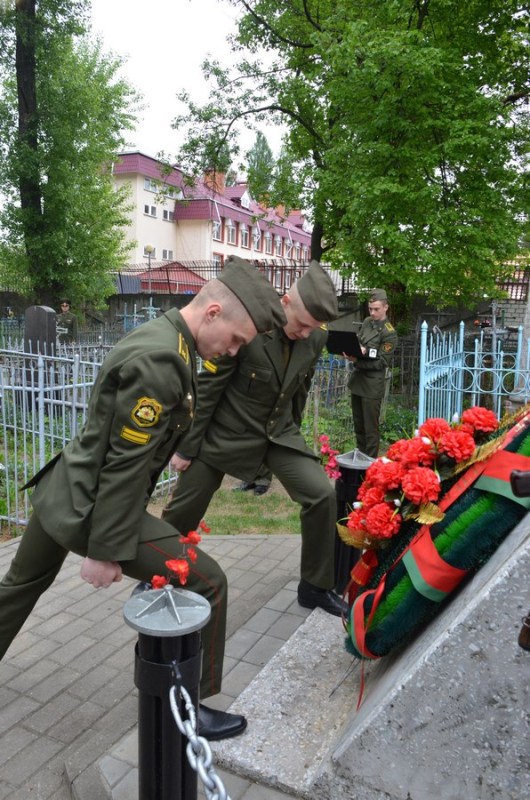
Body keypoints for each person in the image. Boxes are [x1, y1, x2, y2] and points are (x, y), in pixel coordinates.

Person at [0, 256, 287, 742]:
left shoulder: (167, 337)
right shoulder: (164, 360)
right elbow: (126, 463)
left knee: (19, 587)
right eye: (236, 340)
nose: (235, 351)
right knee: (208, 579)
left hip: (66, 489)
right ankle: (191, 709)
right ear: (213, 313)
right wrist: (105, 550)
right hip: (96, 507)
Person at [162, 260, 348, 618]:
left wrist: (292, 438)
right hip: (225, 435)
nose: (308, 334)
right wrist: (187, 446)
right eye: (304, 324)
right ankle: (158, 568)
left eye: (315, 327)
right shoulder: (249, 326)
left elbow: (299, 390)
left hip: (278, 434)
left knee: (321, 495)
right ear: (286, 302)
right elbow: (209, 390)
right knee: (186, 506)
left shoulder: (316, 337)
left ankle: (315, 586)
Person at [347, 288, 398, 458]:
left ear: (385, 308)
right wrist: (351, 350)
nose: (373, 312)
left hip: (372, 384)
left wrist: (361, 356)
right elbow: (360, 342)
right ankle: (359, 460)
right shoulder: (368, 322)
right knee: (358, 425)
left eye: (376, 309)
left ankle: (369, 464)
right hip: (358, 381)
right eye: (370, 309)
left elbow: (382, 361)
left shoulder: (389, 333)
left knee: (370, 429)